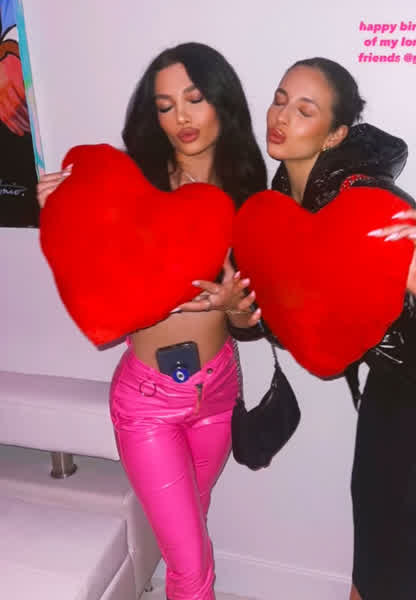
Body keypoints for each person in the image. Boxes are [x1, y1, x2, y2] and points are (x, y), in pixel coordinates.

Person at [219, 57, 416, 600]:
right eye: (279, 100)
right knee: (373, 522)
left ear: (335, 133)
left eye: (304, 110)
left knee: (405, 536)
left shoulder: (366, 198)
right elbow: (294, 322)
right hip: (391, 379)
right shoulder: (275, 214)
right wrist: (240, 317)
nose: (280, 116)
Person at [37, 42, 265, 600]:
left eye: (194, 98)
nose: (181, 116)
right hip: (148, 403)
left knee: (191, 533)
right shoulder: (131, 184)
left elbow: (256, 319)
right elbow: (96, 277)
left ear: (222, 102)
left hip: (219, 391)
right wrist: (61, 210)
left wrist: (235, 308)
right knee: (193, 568)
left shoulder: (249, 193)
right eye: (165, 105)